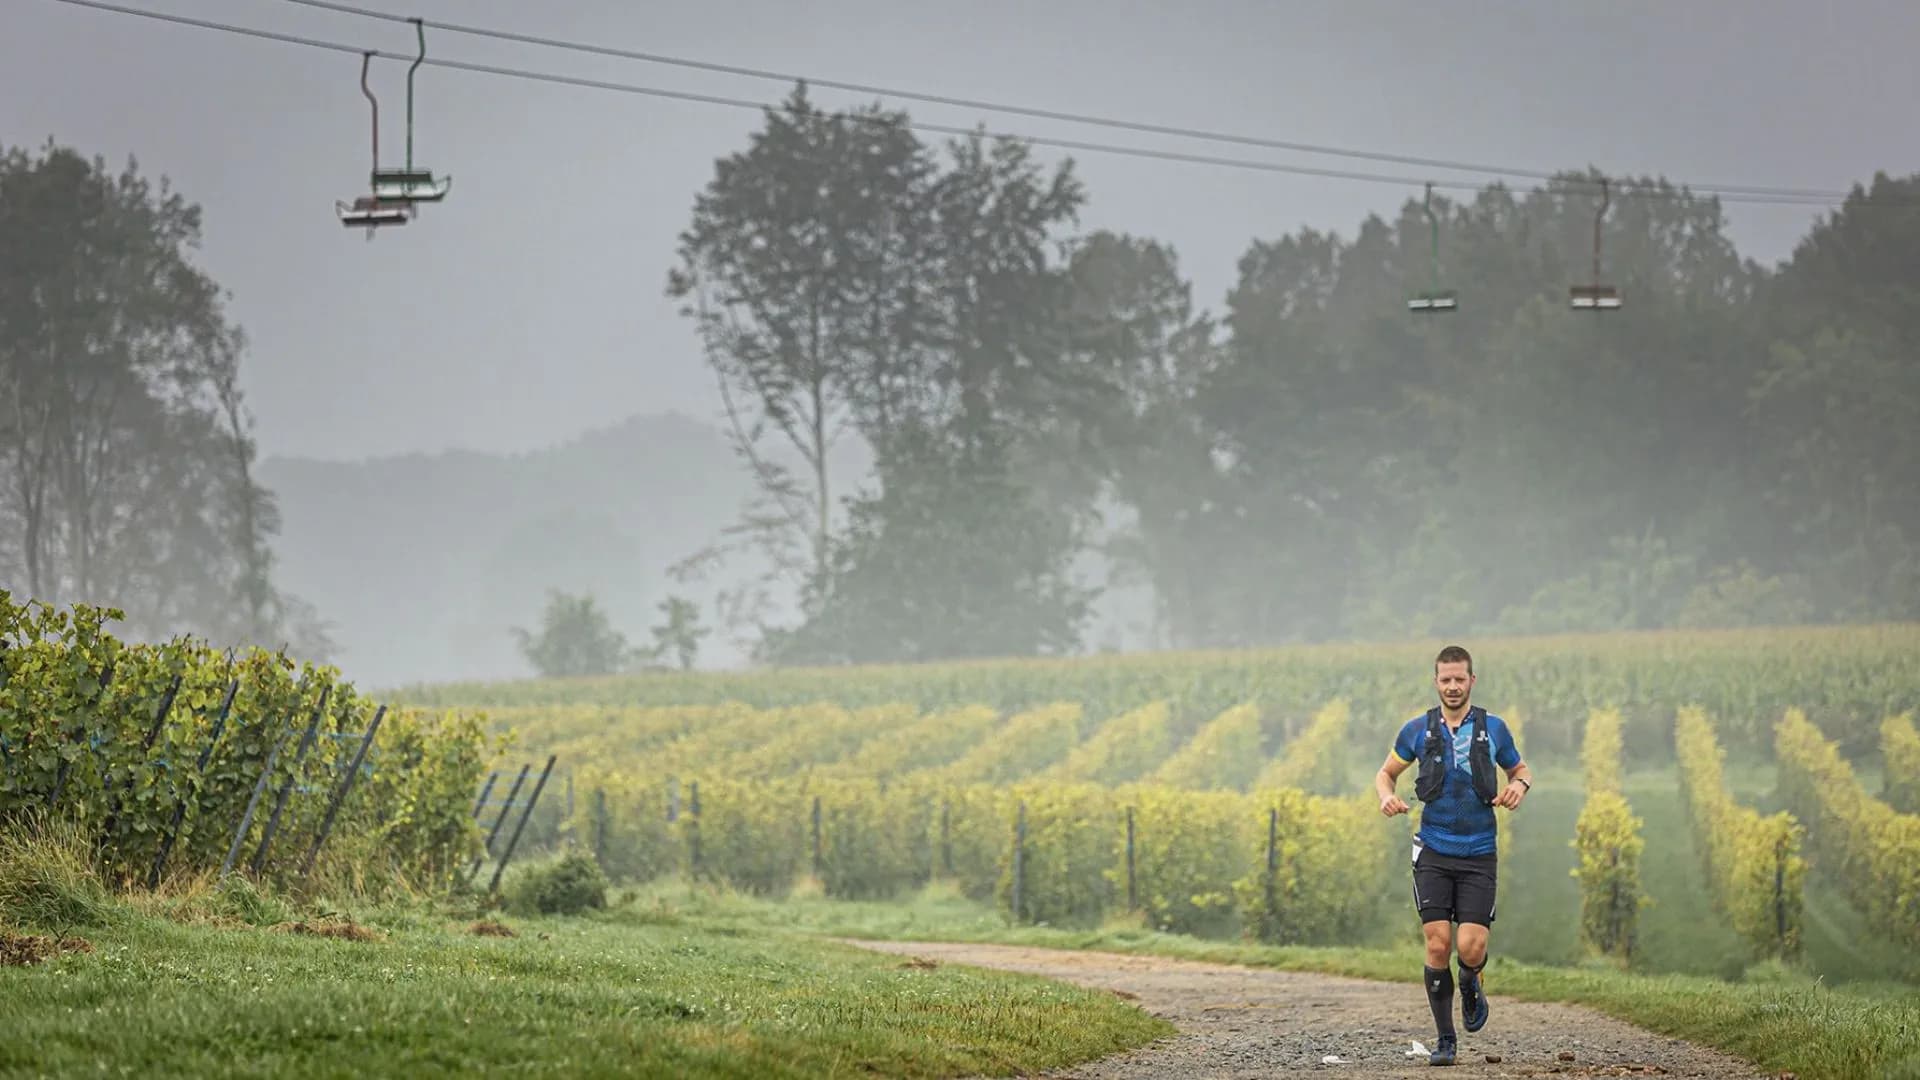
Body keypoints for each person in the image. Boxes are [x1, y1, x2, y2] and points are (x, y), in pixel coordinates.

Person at [1374, 644, 1530, 1067]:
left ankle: (1471, 978)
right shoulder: (1416, 731)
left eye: (1460, 678)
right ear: (1436, 682)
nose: (1453, 686)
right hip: (1434, 850)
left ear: (1472, 681)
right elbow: (1386, 773)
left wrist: (1519, 786)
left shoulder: (1493, 728)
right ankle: (1446, 1039)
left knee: (1471, 946)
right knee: (1438, 943)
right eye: (1446, 679)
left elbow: (1520, 770)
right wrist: (1387, 797)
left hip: (1479, 852)